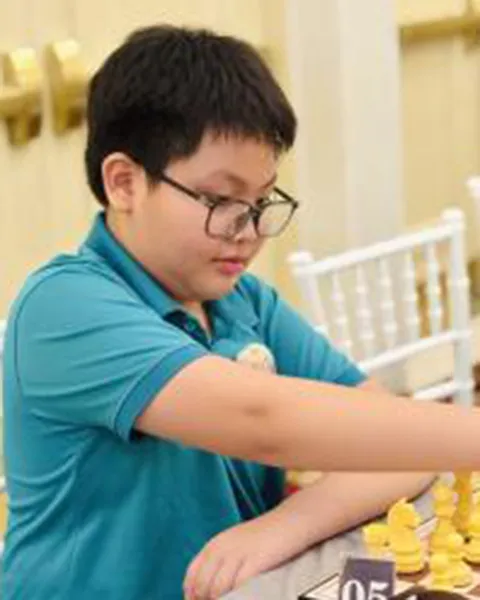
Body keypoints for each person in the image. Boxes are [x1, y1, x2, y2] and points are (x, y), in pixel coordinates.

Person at [1, 25, 479, 600]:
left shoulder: (242, 301)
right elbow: (262, 420)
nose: (249, 232)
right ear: (124, 182)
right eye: (222, 201)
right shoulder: (63, 306)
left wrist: (283, 525)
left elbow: (392, 439)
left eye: (262, 202)